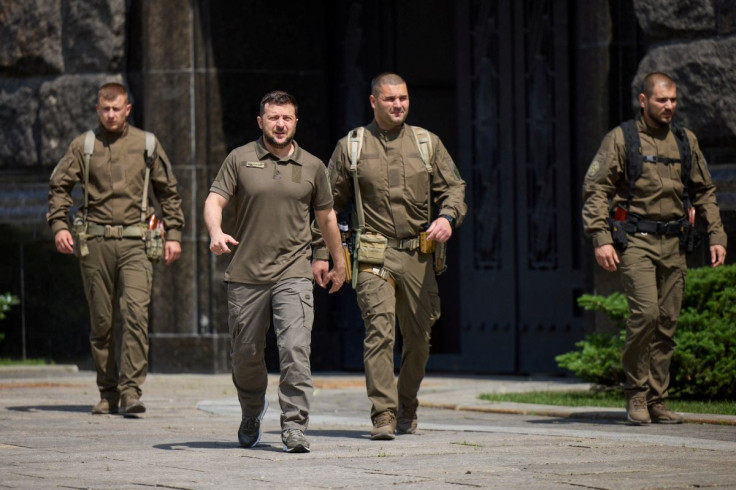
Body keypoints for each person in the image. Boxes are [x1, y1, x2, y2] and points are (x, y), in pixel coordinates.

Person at [312, 73, 467, 440]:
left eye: (403, 98)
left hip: (418, 254)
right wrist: (322, 253)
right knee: (379, 332)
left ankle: (406, 403)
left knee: (419, 339)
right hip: (372, 255)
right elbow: (327, 206)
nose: (398, 105)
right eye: (390, 99)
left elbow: (455, 188)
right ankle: (383, 413)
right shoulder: (351, 147)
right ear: (373, 102)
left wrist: (447, 217)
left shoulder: (427, 143)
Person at [204, 90, 345, 453]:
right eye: (273, 118)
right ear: (260, 121)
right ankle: (252, 410)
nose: (280, 124)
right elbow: (214, 200)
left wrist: (338, 261)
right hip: (246, 275)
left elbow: (326, 217)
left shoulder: (313, 166)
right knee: (246, 354)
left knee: (295, 349)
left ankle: (294, 425)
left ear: (296, 122)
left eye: (286, 118)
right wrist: (216, 232)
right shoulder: (240, 158)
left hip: (293, 273)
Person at [582, 72, 727, 425]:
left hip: (674, 242)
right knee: (645, 315)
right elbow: (596, 190)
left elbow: (705, 191)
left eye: (674, 100)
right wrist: (601, 238)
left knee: (667, 322)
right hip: (636, 242)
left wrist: (718, 235)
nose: (669, 106)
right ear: (644, 101)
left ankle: (658, 400)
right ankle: (636, 394)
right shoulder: (622, 139)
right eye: (662, 100)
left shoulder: (684, 139)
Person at [47, 82, 185, 416]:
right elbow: (59, 186)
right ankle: (107, 391)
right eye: (105, 109)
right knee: (102, 321)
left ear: (127, 109)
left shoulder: (147, 143)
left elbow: (168, 192)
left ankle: (131, 391)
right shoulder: (85, 145)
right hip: (94, 242)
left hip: (138, 242)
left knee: (136, 314)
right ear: (98, 110)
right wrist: (59, 225)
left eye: (116, 109)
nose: (111, 115)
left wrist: (175, 233)